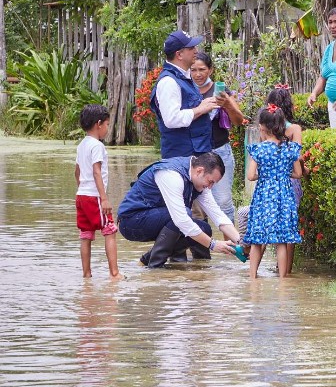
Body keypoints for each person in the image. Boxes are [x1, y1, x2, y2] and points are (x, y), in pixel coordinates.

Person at [117, 152, 242, 268]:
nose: (210, 187)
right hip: (131, 222)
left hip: (159, 218)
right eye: (210, 182)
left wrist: (242, 242)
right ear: (199, 171)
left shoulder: (198, 180)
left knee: (204, 228)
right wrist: (213, 245)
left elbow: (218, 216)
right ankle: (154, 267)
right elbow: (181, 220)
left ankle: (202, 268)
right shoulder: (171, 175)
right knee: (185, 217)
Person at [244, 105, 303, 278]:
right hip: (284, 196)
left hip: (264, 196)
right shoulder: (290, 149)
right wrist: (283, 174)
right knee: (281, 241)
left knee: (257, 238)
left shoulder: (258, 149)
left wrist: (265, 175)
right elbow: (298, 174)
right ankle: (283, 280)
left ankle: (253, 277)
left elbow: (250, 176)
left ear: (262, 127)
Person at [190, 52, 245, 220]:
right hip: (195, 153)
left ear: (210, 70)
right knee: (196, 206)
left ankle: (232, 244)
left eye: (202, 69)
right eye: (193, 70)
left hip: (219, 150)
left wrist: (227, 103)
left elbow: (238, 120)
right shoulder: (187, 89)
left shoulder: (220, 90)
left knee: (224, 202)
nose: (198, 74)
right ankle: (204, 245)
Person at [151, 30, 220, 158]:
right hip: (182, 159)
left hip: (196, 155)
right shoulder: (169, 82)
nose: (196, 51)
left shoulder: (184, 77)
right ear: (179, 54)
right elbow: (172, 119)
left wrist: (203, 104)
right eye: (191, 48)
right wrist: (200, 109)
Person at [74, 104, 123, 280]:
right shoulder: (97, 146)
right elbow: (96, 171)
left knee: (86, 234)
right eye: (108, 125)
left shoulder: (82, 145)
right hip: (94, 196)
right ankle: (114, 273)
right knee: (109, 230)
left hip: (82, 196)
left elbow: (77, 172)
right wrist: (104, 198)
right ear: (99, 124)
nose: (108, 129)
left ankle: (86, 274)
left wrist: (81, 189)